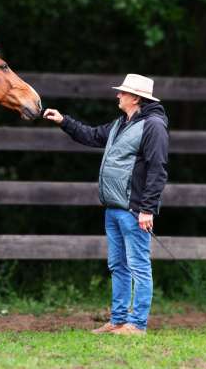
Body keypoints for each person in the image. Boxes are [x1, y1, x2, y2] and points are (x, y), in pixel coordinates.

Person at [43, 74, 169, 335]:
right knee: (118, 266)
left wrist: (147, 208)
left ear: (135, 98)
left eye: (123, 93)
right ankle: (119, 320)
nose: (118, 96)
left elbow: (158, 169)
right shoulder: (120, 124)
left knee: (139, 267)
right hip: (113, 209)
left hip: (134, 210)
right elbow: (92, 136)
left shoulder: (154, 126)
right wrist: (63, 121)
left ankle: (137, 324)